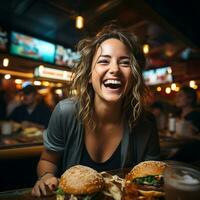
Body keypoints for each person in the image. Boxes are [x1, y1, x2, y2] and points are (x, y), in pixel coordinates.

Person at [32, 24, 160, 197]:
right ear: (90, 76)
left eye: (125, 63)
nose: (114, 69)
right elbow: (48, 160)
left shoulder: (146, 123)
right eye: (104, 61)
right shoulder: (65, 112)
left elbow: (154, 178)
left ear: (134, 76)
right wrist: (46, 176)